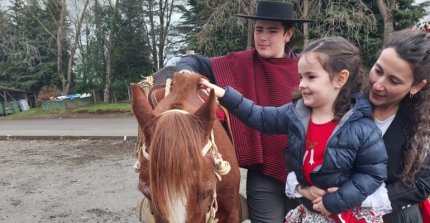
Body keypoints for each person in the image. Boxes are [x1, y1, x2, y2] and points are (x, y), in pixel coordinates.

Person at [201, 36, 388, 222]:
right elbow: (260, 116)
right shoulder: (296, 113)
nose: (302, 84)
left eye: (311, 77)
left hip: (345, 215)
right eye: (301, 77)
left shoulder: (362, 128)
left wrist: (338, 200)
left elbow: (373, 173)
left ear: (340, 78)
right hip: (311, 212)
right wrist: (224, 95)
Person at [176, 1, 312, 222]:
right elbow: (195, 61)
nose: (263, 37)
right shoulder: (238, 63)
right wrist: (183, 72)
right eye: (259, 29)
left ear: (288, 34)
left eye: (272, 31)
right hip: (264, 175)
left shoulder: (307, 70)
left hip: (304, 174)